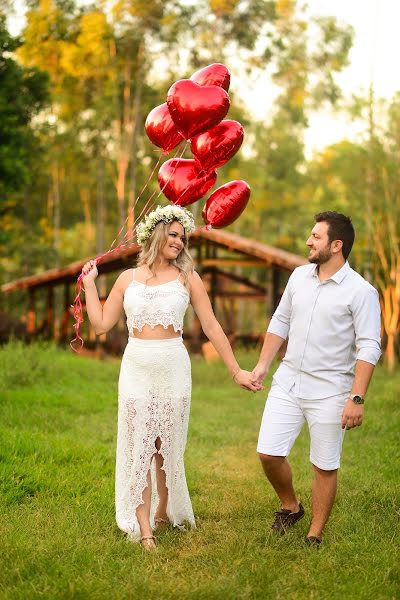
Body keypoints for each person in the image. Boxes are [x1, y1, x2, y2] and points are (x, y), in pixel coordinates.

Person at [81, 204, 260, 551]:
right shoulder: (126, 280)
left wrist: (236, 369)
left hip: (174, 367)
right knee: (140, 448)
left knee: (167, 448)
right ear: (157, 234)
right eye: (174, 235)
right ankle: (145, 527)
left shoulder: (187, 278)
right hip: (136, 367)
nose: (179, 242)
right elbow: (101, 325)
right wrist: (90, 285)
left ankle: (164, 509)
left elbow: (211, 325)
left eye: (184, 237)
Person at [251, 211, 381, 546]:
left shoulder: (361, 291)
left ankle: (314, 534)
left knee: (324, 465)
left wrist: (356, 397)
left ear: (336, 245)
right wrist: (263, 366)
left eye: (316, 236)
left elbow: (369, 346)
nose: (309, 241)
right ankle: (291, 506)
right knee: (268, 453)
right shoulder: (298, 277)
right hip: (289, 382)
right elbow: (280, 321)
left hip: (331, 391)